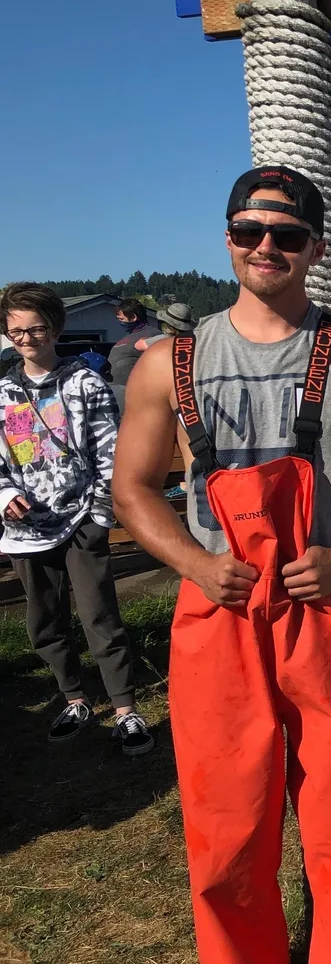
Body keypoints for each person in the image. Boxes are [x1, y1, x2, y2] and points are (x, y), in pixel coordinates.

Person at [113, 165, 331, 963]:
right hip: (216, 613)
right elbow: (132, 490)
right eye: (250, 232)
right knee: (226, 817)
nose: (267, 248)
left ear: (314, 248)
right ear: (227, 239)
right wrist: (193, 562)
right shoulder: (168, 364)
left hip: (329, 605)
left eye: (287, 236)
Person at [0, 283, 152, 754]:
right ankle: (74, 697)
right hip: (25, 530)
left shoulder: (84, 382)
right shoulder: (3, 391)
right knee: (44, 621)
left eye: (36, 329)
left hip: (82, 518)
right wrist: (4, 493)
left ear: (55, 328)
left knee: (99, 613)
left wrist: (102, 515)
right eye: (16, 331)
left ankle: (125, 707)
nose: (27, 339)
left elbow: (109, 451)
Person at [107, 297, 160, 413]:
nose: (120, 322)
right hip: (120, 397)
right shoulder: (128, 337)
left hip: (139, 400)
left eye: (122, 319)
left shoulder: (152, 335)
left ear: (134, 317)